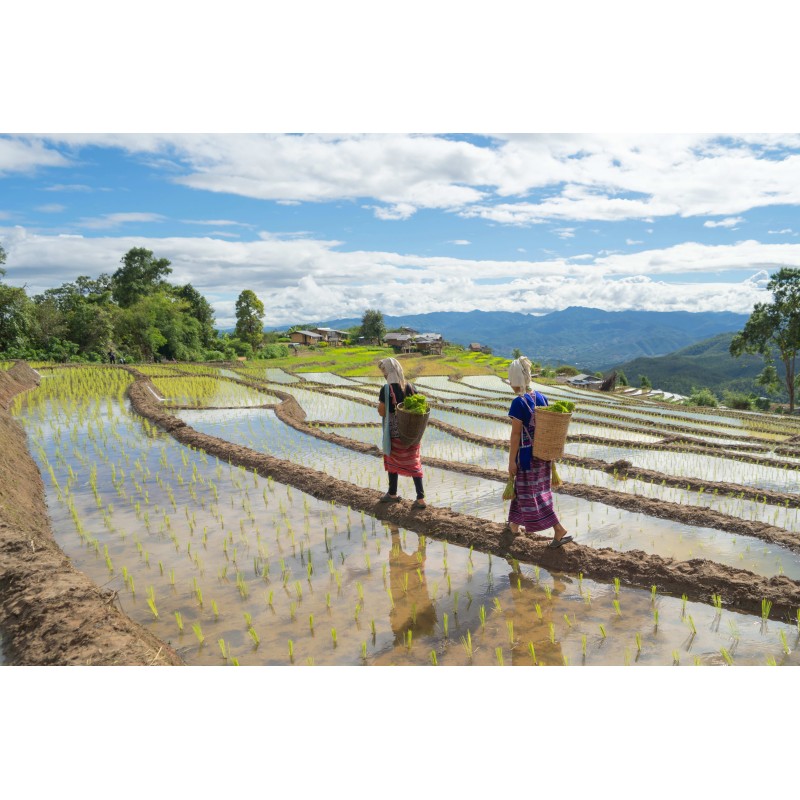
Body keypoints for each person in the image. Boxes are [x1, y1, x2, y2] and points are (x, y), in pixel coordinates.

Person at [505, 356, 572, 548]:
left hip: (527, 458)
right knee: (525, 491)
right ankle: (514, 526)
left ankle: (559, 529)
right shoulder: (541, 397)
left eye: (510, 379)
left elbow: (516, 434)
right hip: (543, 456)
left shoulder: (519, 402)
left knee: (534, 494)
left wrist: (511, 461)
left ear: (515, 379)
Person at [376, 357, 426, 508]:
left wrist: (380, 407)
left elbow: (382, 411)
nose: (383, 374)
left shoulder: (386, 389)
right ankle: (420, 498)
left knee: (392, 462)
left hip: (394, 434)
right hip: (411, 434)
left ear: (389, 372)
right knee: (414, 462)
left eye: (384, 371)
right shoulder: (410, 387)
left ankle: (392, 493)